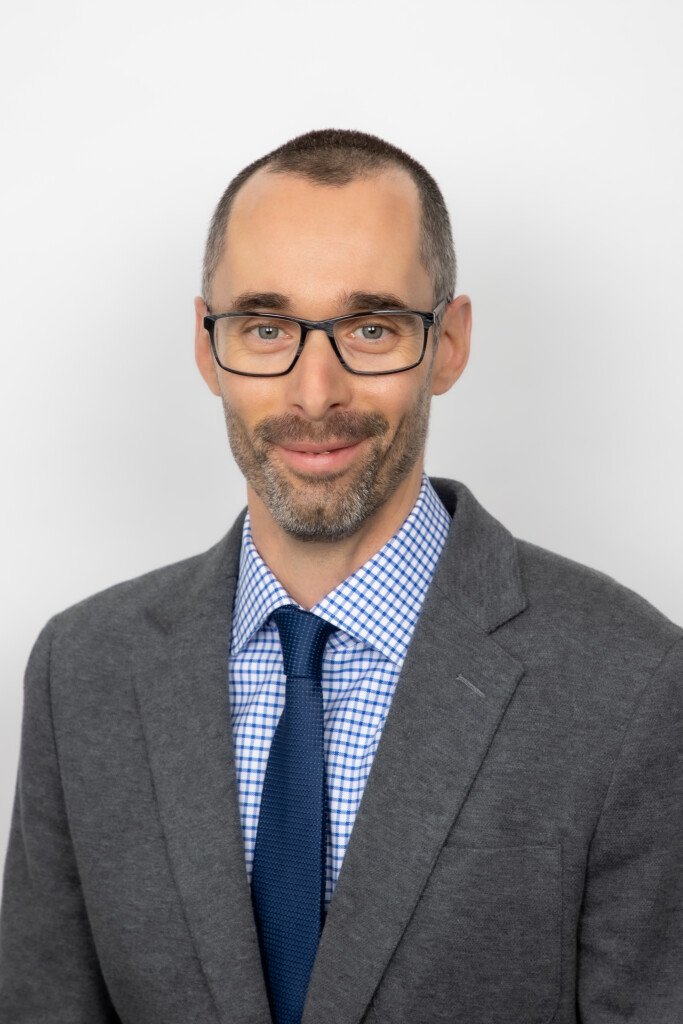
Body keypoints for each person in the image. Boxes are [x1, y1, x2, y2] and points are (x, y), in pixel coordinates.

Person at [1, 129, 681, 1024]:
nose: (314, 392)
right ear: (207, 347)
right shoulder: (82, 669)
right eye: (265, 327)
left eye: (370, 328)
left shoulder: (633, 681)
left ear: (448, 343)